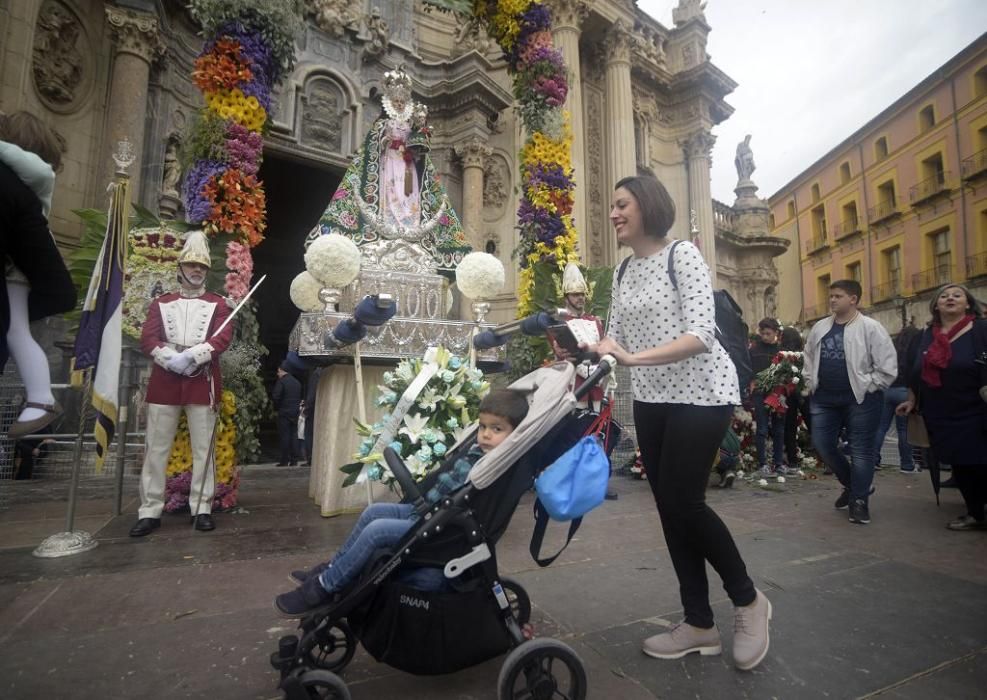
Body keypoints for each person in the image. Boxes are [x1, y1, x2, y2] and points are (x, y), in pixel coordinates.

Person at [586, 175, 770, 672]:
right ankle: (699, 623)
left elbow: (700, 335)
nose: (614, 213)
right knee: (669, 508)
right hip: (653, 397)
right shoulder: (622, 271)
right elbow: (615, 339)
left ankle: (749, 600)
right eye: (613, 205)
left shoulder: (682, 256)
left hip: (702, 392)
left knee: (687, 503)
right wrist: (587, 349)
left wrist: (631, 358)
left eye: (621, 204)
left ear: (647, 206)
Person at [274, 388, 529, 617]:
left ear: (515, 435)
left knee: (376, 532)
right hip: (426, 512)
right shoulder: (477, 450)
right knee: (373, 511)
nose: (485, 434)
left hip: (442, 531)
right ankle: (332, 568)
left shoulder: (496, 465)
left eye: (497, 429)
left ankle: (323, 588)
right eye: (483, 426)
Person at [129, 231, 234, 537]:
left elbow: (222, 338)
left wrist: (194, 356)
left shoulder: (219, 304)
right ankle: (149, 510)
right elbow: (148, 338)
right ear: (181, 267)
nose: (197, 270)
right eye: (191, 265)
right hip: (165, 379)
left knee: (205, 448)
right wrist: (169, 357)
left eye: (201, 267)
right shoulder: (161, 302)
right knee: (156, 448)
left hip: (202, 380)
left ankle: (201, 507)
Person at [0, 111, 76, 437]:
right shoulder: (31, 178)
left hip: (16, 270)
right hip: (19, 270)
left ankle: (42, 398)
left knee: (16, 331)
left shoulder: (29, 174)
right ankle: (40, 398)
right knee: (16, 331)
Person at [803, 279, 896, 525]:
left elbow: (887, 366)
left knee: (861, 451)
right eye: (831, 295)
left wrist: (870, 385)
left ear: (853, 299)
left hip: (861, 399)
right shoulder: (820, 327)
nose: (832, 299)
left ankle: (859, 501)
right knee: (822, 445)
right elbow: (809, 356)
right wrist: (810, 380)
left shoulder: (871, 327)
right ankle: (855, 486)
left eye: (838, 296)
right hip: (824, 398)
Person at [896, 284, 987, 531]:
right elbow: (916, 371)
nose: (950, 298)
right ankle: (976, 513)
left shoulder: (980, 329)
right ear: (935, 305)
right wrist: (912, 400)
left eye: (957, 295)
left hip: (977, 409)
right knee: (960, 462)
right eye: (944, 296)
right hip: (940, 410)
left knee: (980, 460)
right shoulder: (926, 335)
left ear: (968, 303)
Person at [874, 323, 922, 474]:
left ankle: (873, 460)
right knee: (904, 430)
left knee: (881, 427)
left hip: (887, 390)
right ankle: (907, 464)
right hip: (905, 392)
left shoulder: (892, 348)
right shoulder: (915, 350)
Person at [749, 318, 791, 477]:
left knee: (779, 429)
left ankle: (778, 463)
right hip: (760, 393)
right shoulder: (754, 350)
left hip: (778, 394)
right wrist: (752, 380)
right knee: (762, 429)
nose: (765, 336)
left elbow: (788, 372)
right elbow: (748, 368)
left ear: (776, 333)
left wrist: (786, 385)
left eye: (768, 333)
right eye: (763, 333)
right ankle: (763, 464)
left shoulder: (782, 352)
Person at [779, 325, 805, 466]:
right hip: (804, 392)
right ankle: (826, 459)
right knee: (814, 426)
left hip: (788, 393)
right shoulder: (802, 354)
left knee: (790, 427)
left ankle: (792, 459)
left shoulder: (782, 354)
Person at [272, 362, 303, 466]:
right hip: (295, 412)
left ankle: (284, 460)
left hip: (284, 412)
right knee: (294, 435)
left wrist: (277, 407)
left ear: (281, 370)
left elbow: (276, 397)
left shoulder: (281, 382)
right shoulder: (297, 382)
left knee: (285, 436)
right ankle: (294, 460)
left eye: (278, 371)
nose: (277, 374)